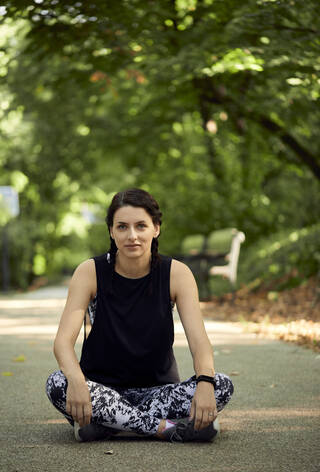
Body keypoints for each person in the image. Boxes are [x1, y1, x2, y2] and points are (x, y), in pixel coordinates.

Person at [46, 188, 234, 443]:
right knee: (58, 383)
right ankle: (166, 429)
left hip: (159, 393)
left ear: (156, 228)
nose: (132, 235)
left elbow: (199, 342)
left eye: (141, 226)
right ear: (111, 231)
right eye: (122, 227)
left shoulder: (176, 274)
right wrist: (78, 381)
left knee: (220, 384)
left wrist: (204, 382)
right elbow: (62, 343)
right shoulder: (90, 272)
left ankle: (111, 425)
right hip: (101, 391)